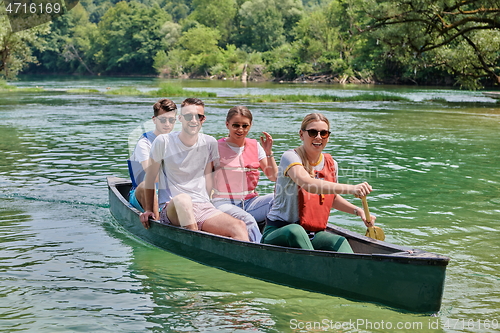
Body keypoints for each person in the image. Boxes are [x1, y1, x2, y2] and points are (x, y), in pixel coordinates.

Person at [261, 113, 376, 253]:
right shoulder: (290, 157)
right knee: (295, 231)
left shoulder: (332, 163)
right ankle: (316, 267)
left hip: (311, 234)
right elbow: (308, 183)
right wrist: (352, 188)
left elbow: (331, 198)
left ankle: (355, 272)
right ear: (302, 134)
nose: (318, 137)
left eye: (324, 133)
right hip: (279, 231)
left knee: (338, 241)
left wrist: (359, 212)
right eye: (313, 132)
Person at [140, 98, 249, 241]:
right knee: (184, 200)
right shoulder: (163, 141)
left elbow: (210, 178)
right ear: (180, 118)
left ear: (203, 119)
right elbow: (150, 177)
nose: (194, 120)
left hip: (203, 206)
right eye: (188, 116)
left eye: (199, 116)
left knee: (239, 226)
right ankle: (196, 245)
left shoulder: (210, 142)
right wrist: (149, 210)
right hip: (172, 207)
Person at [212, 106, 278, 243]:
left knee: (278, 199)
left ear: (250, 126)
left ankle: (276, 238)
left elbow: (273, 176)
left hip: (250, 202)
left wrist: (268, 153)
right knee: (247, 220)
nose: (240, 130)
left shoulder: (255, 146)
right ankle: (262, 249)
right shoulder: (215, 147)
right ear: (227, 124)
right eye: (236, 125)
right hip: (223, 203)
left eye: (245, 126)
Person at [128, 98, 177, 218]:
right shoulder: (144, 144)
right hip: (142, 195)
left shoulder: (177, 141)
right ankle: (158, 222)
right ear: (154, 120)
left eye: (171, 120)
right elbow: (153, 177)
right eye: (163, 120)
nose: (167, 124)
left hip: (168, 194)